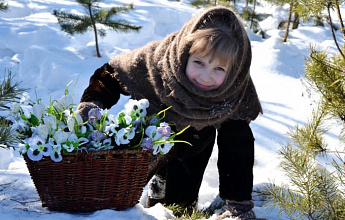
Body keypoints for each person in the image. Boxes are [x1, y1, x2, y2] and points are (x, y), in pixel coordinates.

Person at [77, 6, 263, 219]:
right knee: (117, 202)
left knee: (178, 210)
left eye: (218, 69)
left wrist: (239, 205)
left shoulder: (235, 89)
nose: (205, 76)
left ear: (233, 71)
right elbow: (111, 74)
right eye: (199, 63)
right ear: (185, 54)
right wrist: (92, 103)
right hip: (148, 139)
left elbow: (237, 146)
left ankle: (175, 200)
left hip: (194, 142)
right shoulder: (159, 59)